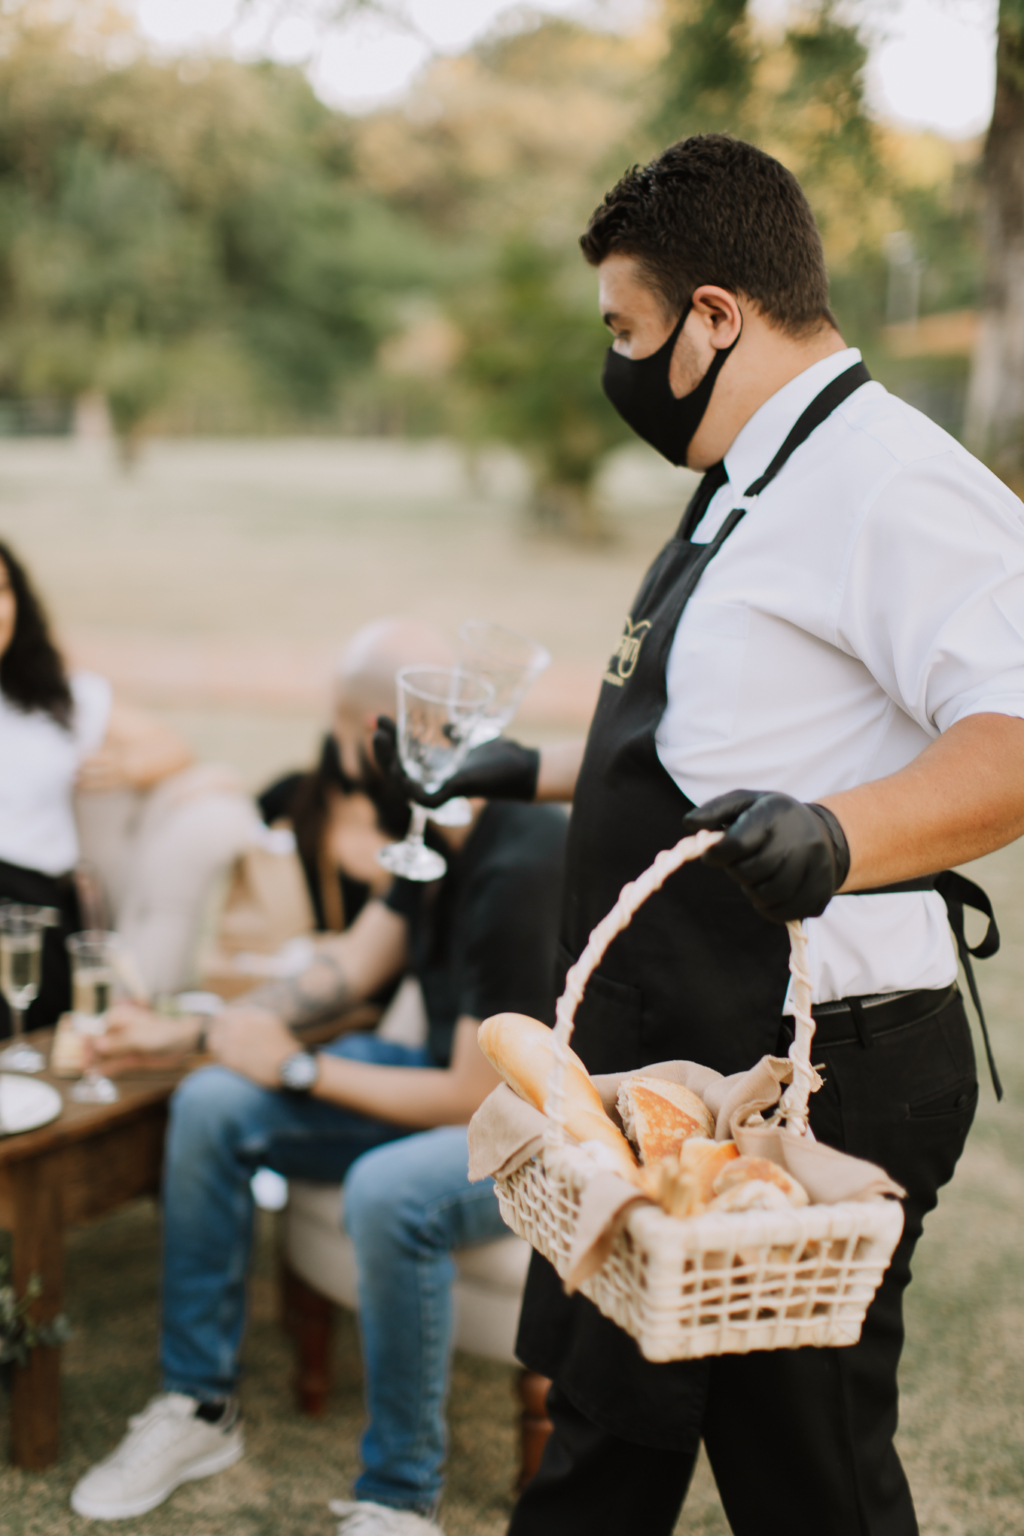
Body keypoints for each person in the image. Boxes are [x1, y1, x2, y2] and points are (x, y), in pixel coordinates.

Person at [381, 135, 1024, 1535]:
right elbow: (714, 752)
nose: (615, 365)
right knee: (605, 1435)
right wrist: (521, 771)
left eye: (626, 330)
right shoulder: (747, 473)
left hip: (814, 1074)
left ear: (715, 315)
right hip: (664, 1056)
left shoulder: (892, 481)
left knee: (809, 1484)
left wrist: (839, 835)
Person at [70, 616, 568, 1536]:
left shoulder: (525, 859)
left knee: (386, 1190)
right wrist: (193, 1033)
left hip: (536, 1131)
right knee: (212, 1102)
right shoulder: (438, 821)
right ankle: (198, 1407)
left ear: (383, 732)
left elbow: (475, 1097)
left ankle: (399, 1498)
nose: (344, 763)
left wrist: (299, 1068)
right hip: (441, 1083)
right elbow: (355, 964)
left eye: (347, 738)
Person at [0, 538, 193, 1035]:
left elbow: (170, 745)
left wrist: (125, 766)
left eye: (2, 590)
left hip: (29, 907)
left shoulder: (57, 699)